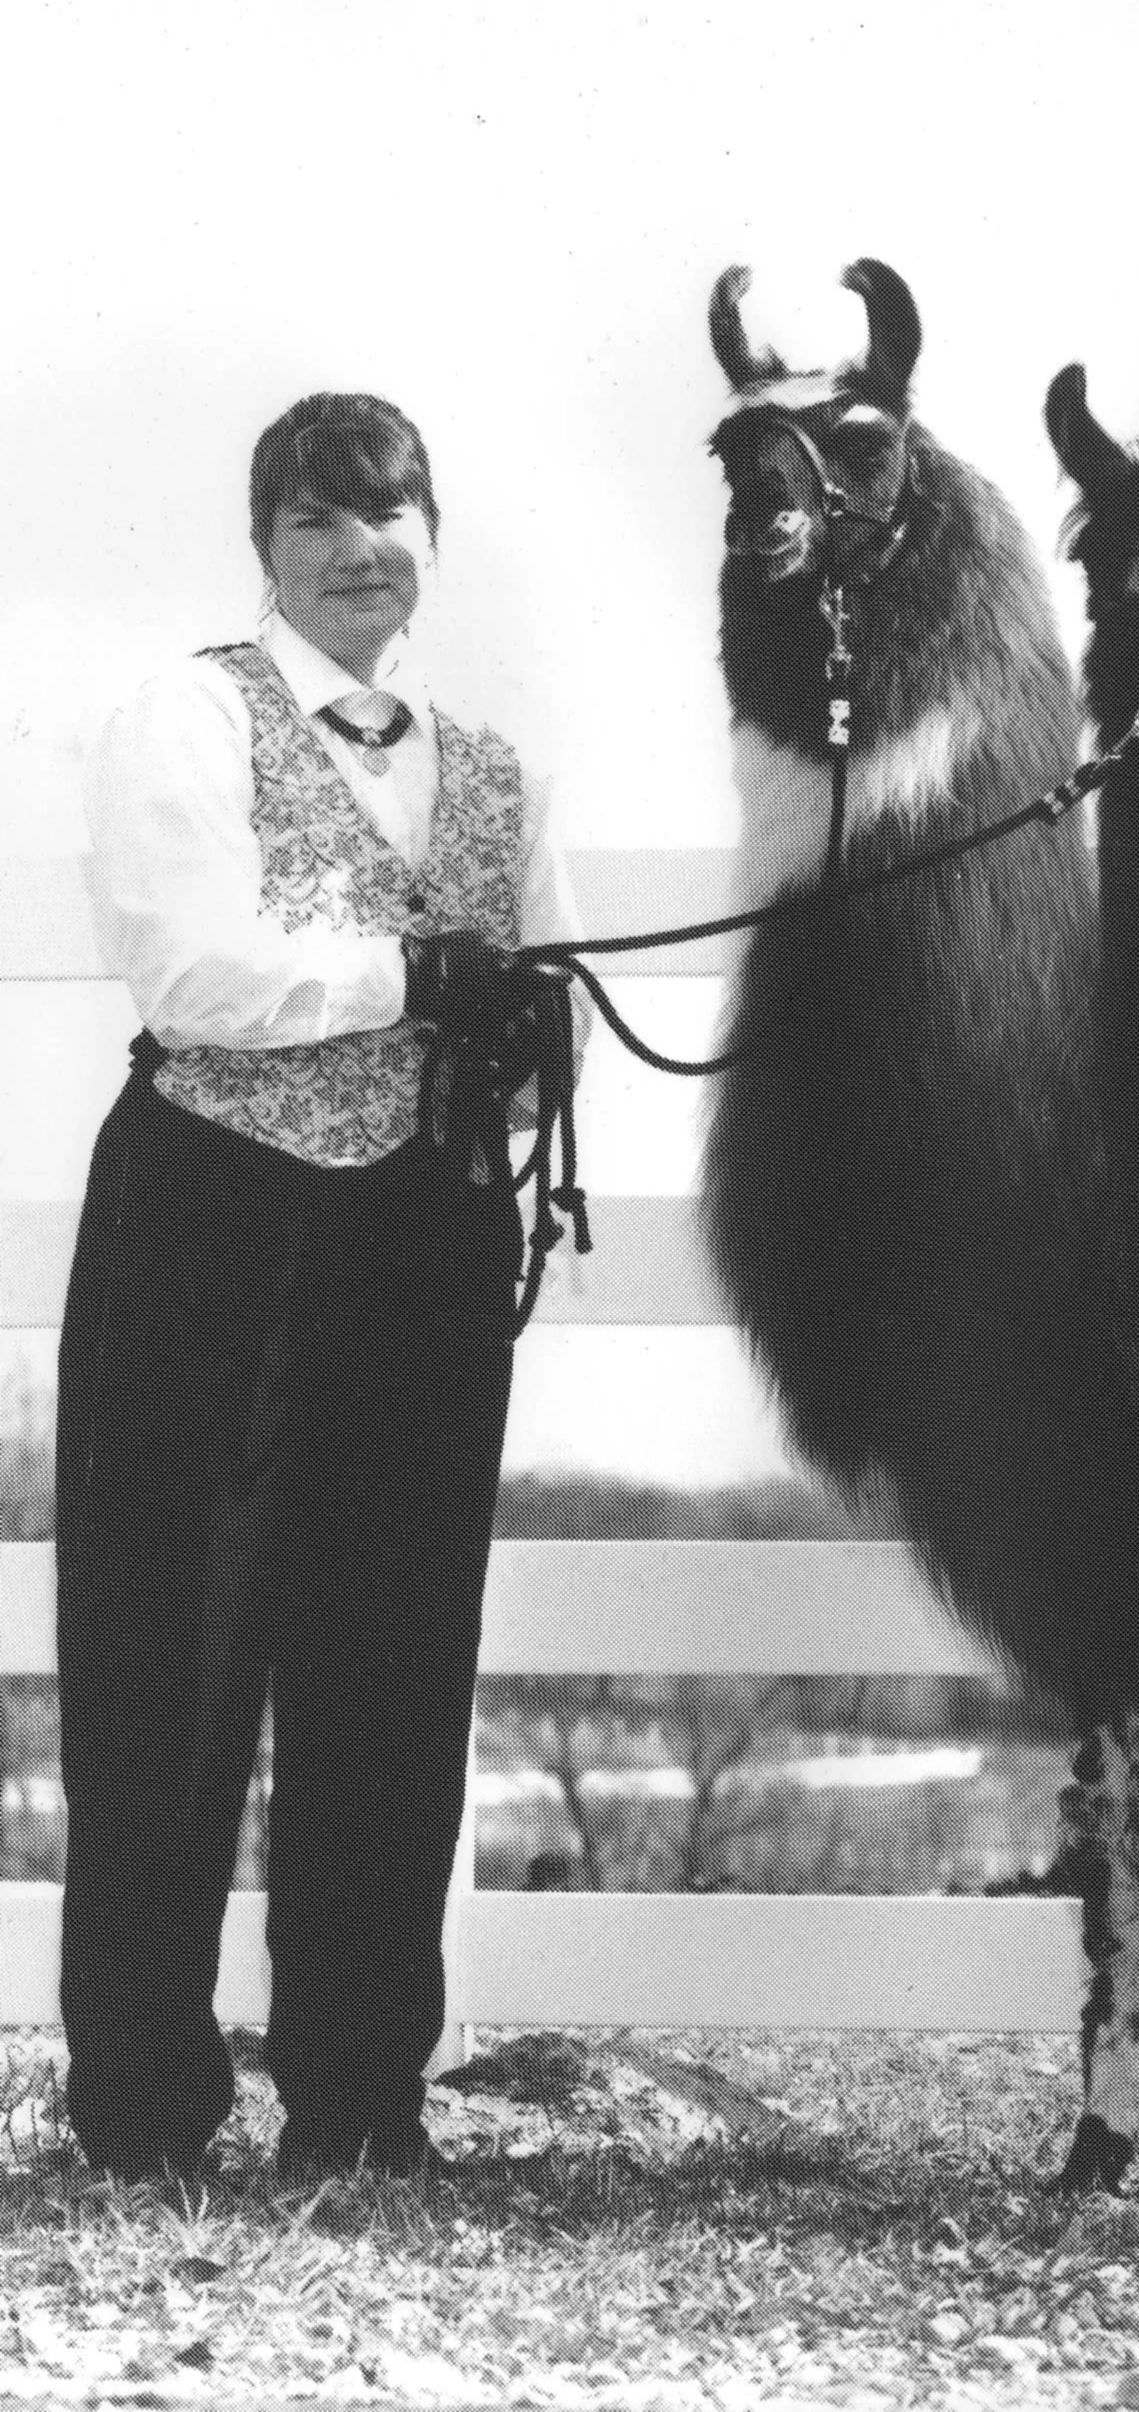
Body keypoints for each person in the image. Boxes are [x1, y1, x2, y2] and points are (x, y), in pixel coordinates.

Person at [58, 390, 579, 2182]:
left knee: (395, 1664)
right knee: (168, 1662)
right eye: (319, 524)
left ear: (433, 536)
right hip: (218, 1217)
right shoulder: (191, 714)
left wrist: (527, 1040)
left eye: (391, 516)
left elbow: (536, 1006)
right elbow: (194, 966)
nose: (361, 551)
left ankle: (360, 2100)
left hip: (420, 1238)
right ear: (267, 548)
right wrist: (408, 976)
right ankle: (141, 2103)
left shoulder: (498, 769)